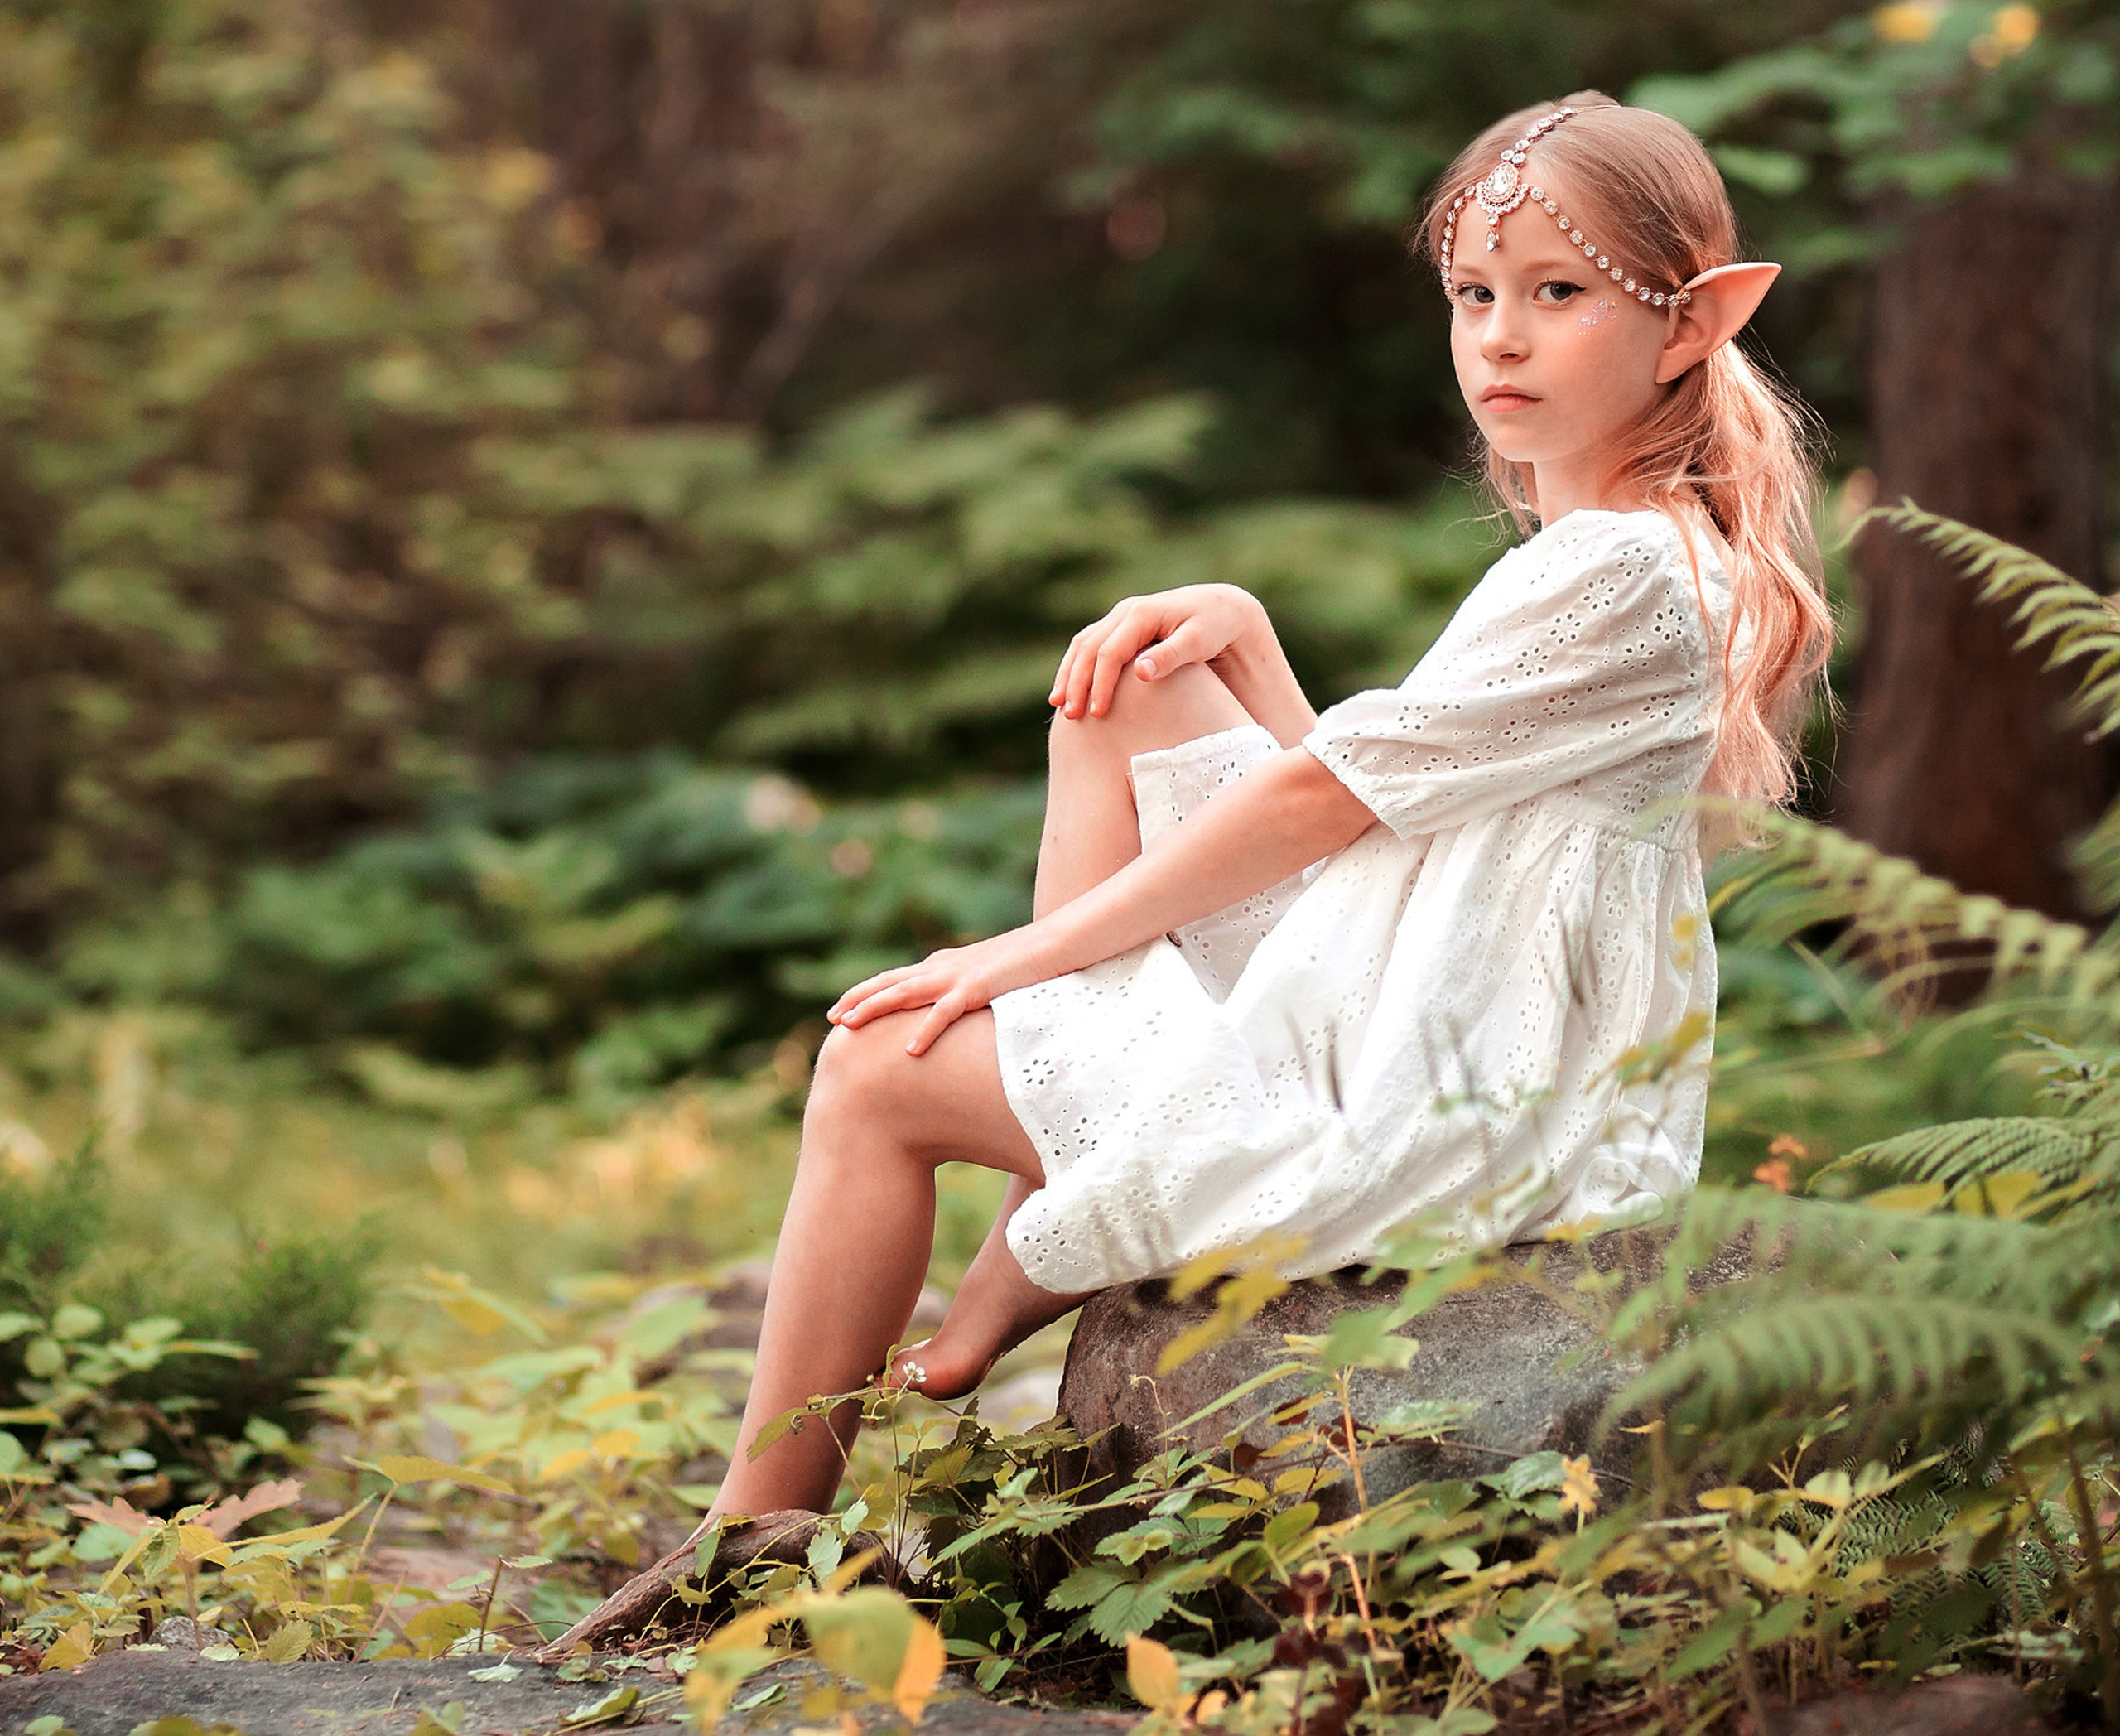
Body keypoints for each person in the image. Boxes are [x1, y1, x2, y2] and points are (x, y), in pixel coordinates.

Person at [549, 91, 1832, 1651]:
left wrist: (1004, 963)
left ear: (1699, 323)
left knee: (881, 1066)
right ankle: (1076, 1162)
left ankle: (757, 1539)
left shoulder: (1621, 567)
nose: (1501, 338)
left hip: (1452, 1080)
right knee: (1147, 666)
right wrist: (1251, 630)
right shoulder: (1614, 549)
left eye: (1561, 296)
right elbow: (1398, 801)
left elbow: (1322, 807)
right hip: (1417, 987)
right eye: (1474, 295)